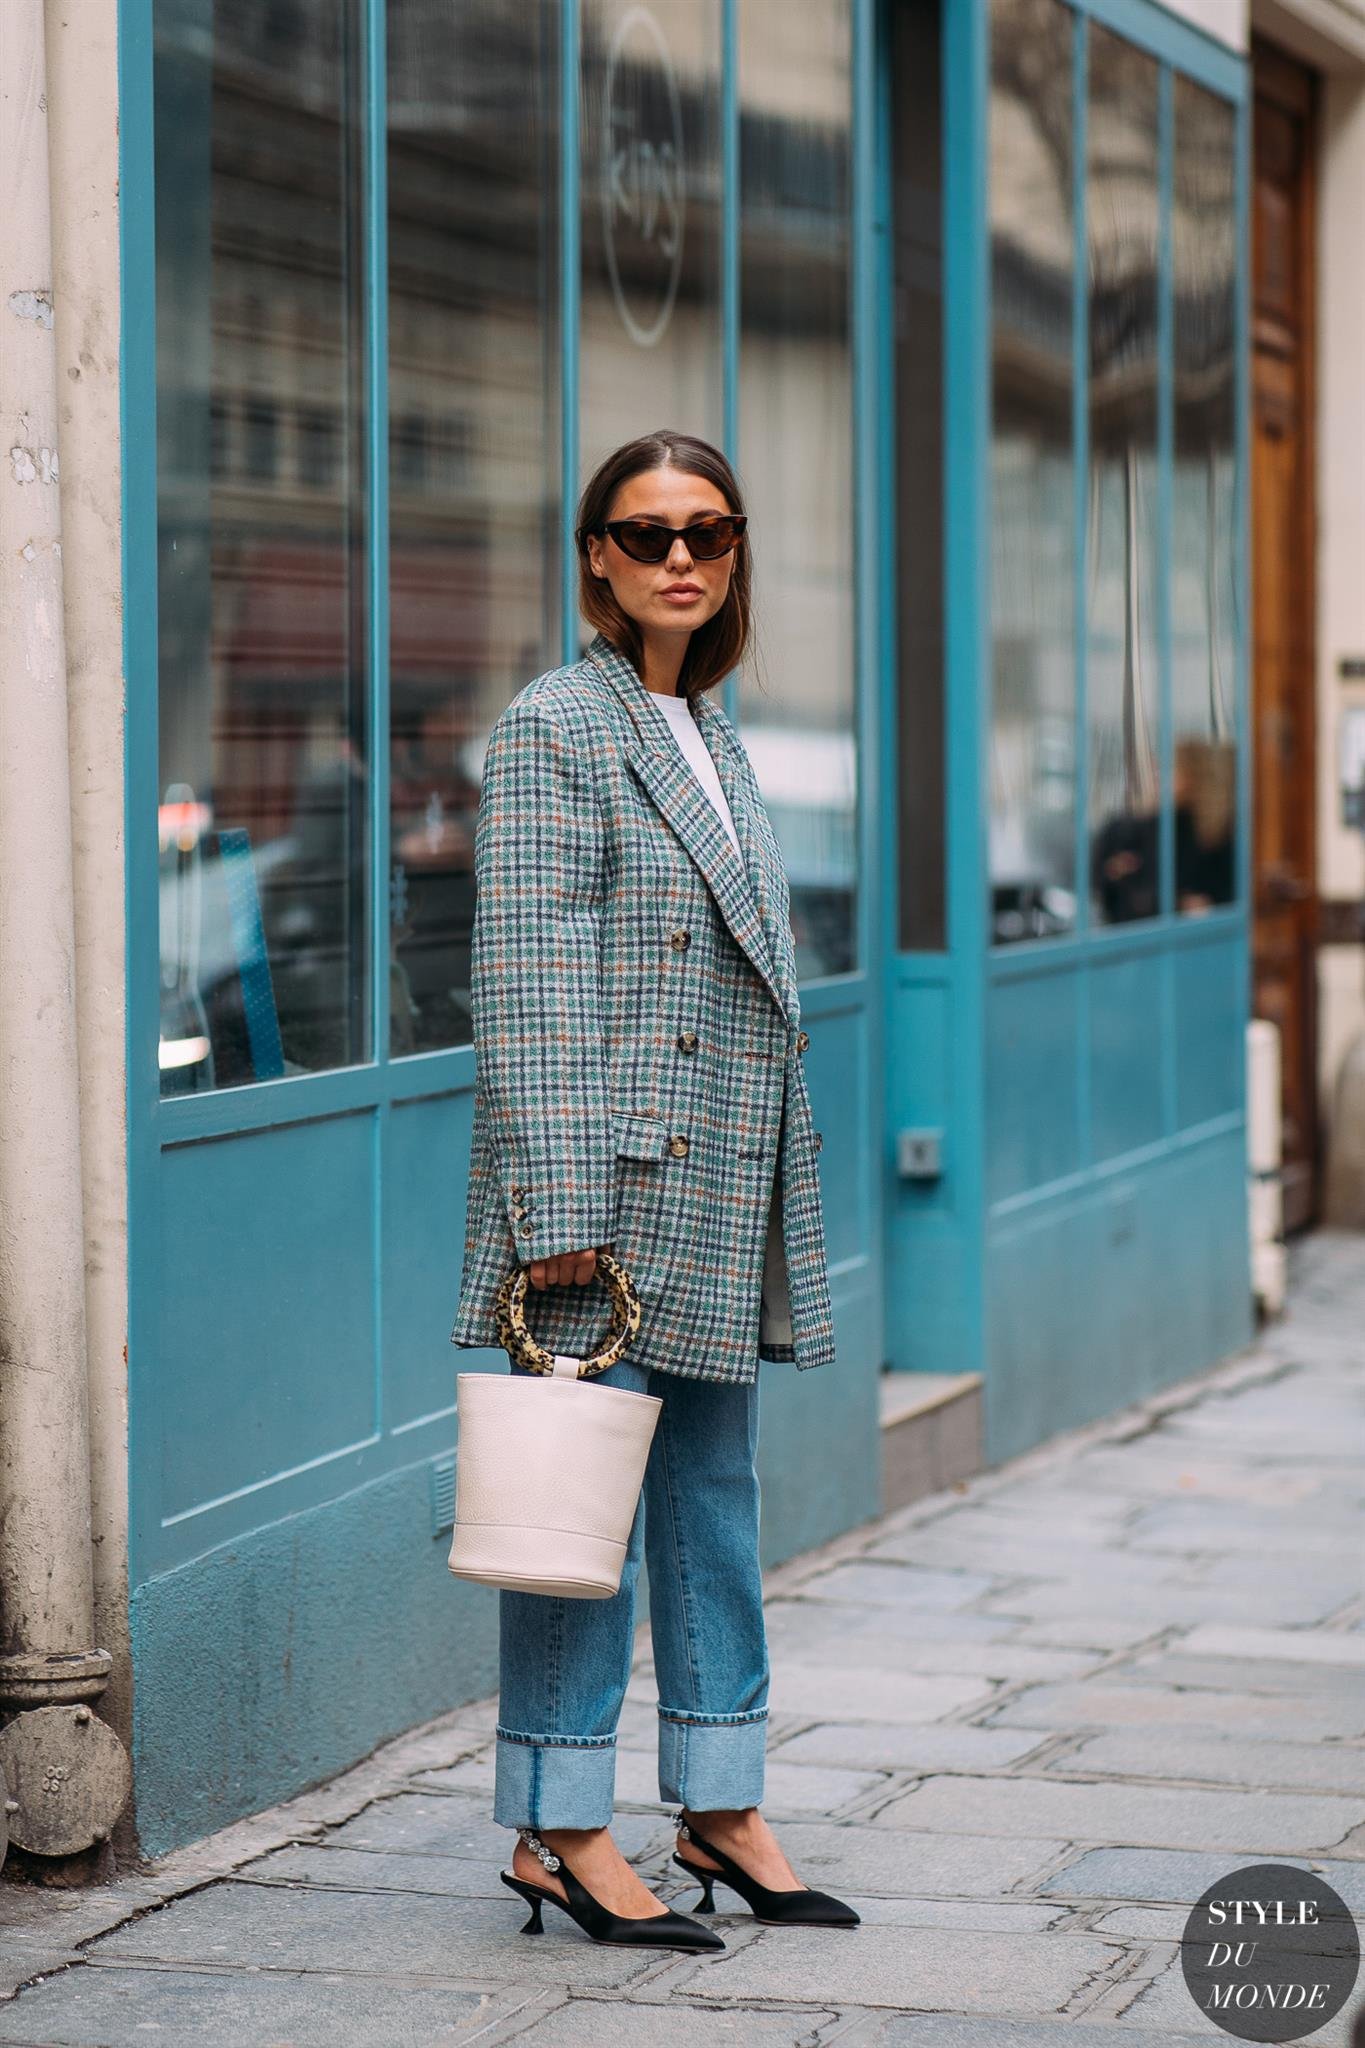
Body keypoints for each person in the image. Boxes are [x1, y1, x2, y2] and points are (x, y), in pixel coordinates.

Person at [450, 429, 858, 1949]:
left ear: (736, 553)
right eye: (643, 532)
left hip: (720, 1176)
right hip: (606, 1197)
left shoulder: (709, 729)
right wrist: (555, 1211)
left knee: (710, 1507)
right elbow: (530, 975)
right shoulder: (559, 723)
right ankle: (557, 1826)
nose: (677, 555)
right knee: (578, 1513)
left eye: (707, 529)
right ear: (594, 560)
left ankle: (719, 1802)